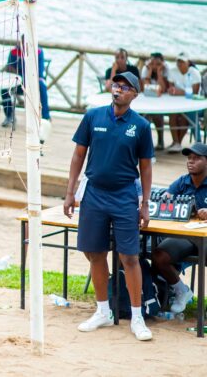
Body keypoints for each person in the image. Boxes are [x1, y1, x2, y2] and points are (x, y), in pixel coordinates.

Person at [63, 71, 154, 341]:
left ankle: (137, 317)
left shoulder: (141, 126)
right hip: (94, 194)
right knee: (94, 252)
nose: (118, 90)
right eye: (116, 85)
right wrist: (70, 193)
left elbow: (146, 168)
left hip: (125, 194)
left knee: (130, 257)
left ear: (134, 94)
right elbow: (78, 155)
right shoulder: (93, 116)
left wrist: (145, 203)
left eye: (125, 87)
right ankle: (103, 311)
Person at [151, 143, 207, 313]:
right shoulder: (182, 182)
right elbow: (166, 200)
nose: (191, 161)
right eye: (189, 158)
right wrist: (166, 201)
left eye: (197, 158)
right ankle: (181, 291)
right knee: (159, 256)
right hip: (186, 235)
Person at [1, 44, 50, 128]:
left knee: (42, 86)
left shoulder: (38, 52)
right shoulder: (14, 52)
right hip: (19, 82)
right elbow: (9, 70)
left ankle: (46, 117)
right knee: (4, 88)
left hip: (33, 82)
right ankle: (9, 116)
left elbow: (40, 73)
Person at [166, 53, 202, 153]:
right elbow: (171, 89)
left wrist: (179, 92)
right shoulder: (172, 71)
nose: (180, 63)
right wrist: (175, 92)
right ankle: (176, 143)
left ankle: (183, 143)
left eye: (182, 61)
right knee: (172, 114)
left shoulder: (194, 72)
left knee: (186, 116)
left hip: (192, 104)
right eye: (178, 61)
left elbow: (195, 92)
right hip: (175, 102)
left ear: (188, 62)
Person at [141, 52, 169, 150]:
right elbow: (146, 88)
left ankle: (160, 140)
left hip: (162, 101)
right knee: (145, 115)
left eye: (158, 64)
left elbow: (163, 88)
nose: (154, 66)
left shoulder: (165, 70)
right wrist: (149, 72)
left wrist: (159, 73)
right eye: (152, 63)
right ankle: (145, 142)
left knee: (157, 115)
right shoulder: (146, 69)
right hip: (147, 100)